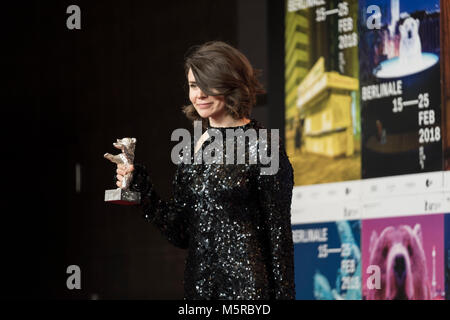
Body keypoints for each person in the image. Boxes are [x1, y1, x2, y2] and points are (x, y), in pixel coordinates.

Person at [115, 41, 295, 299]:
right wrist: (140, 189)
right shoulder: (191, 150)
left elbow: (280, 241)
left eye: (208, 84)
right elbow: (181, 232)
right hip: (199, 291)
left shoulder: (263, 147)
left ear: (231, 84)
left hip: (248, 293)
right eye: (192, 85)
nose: (199, 94)